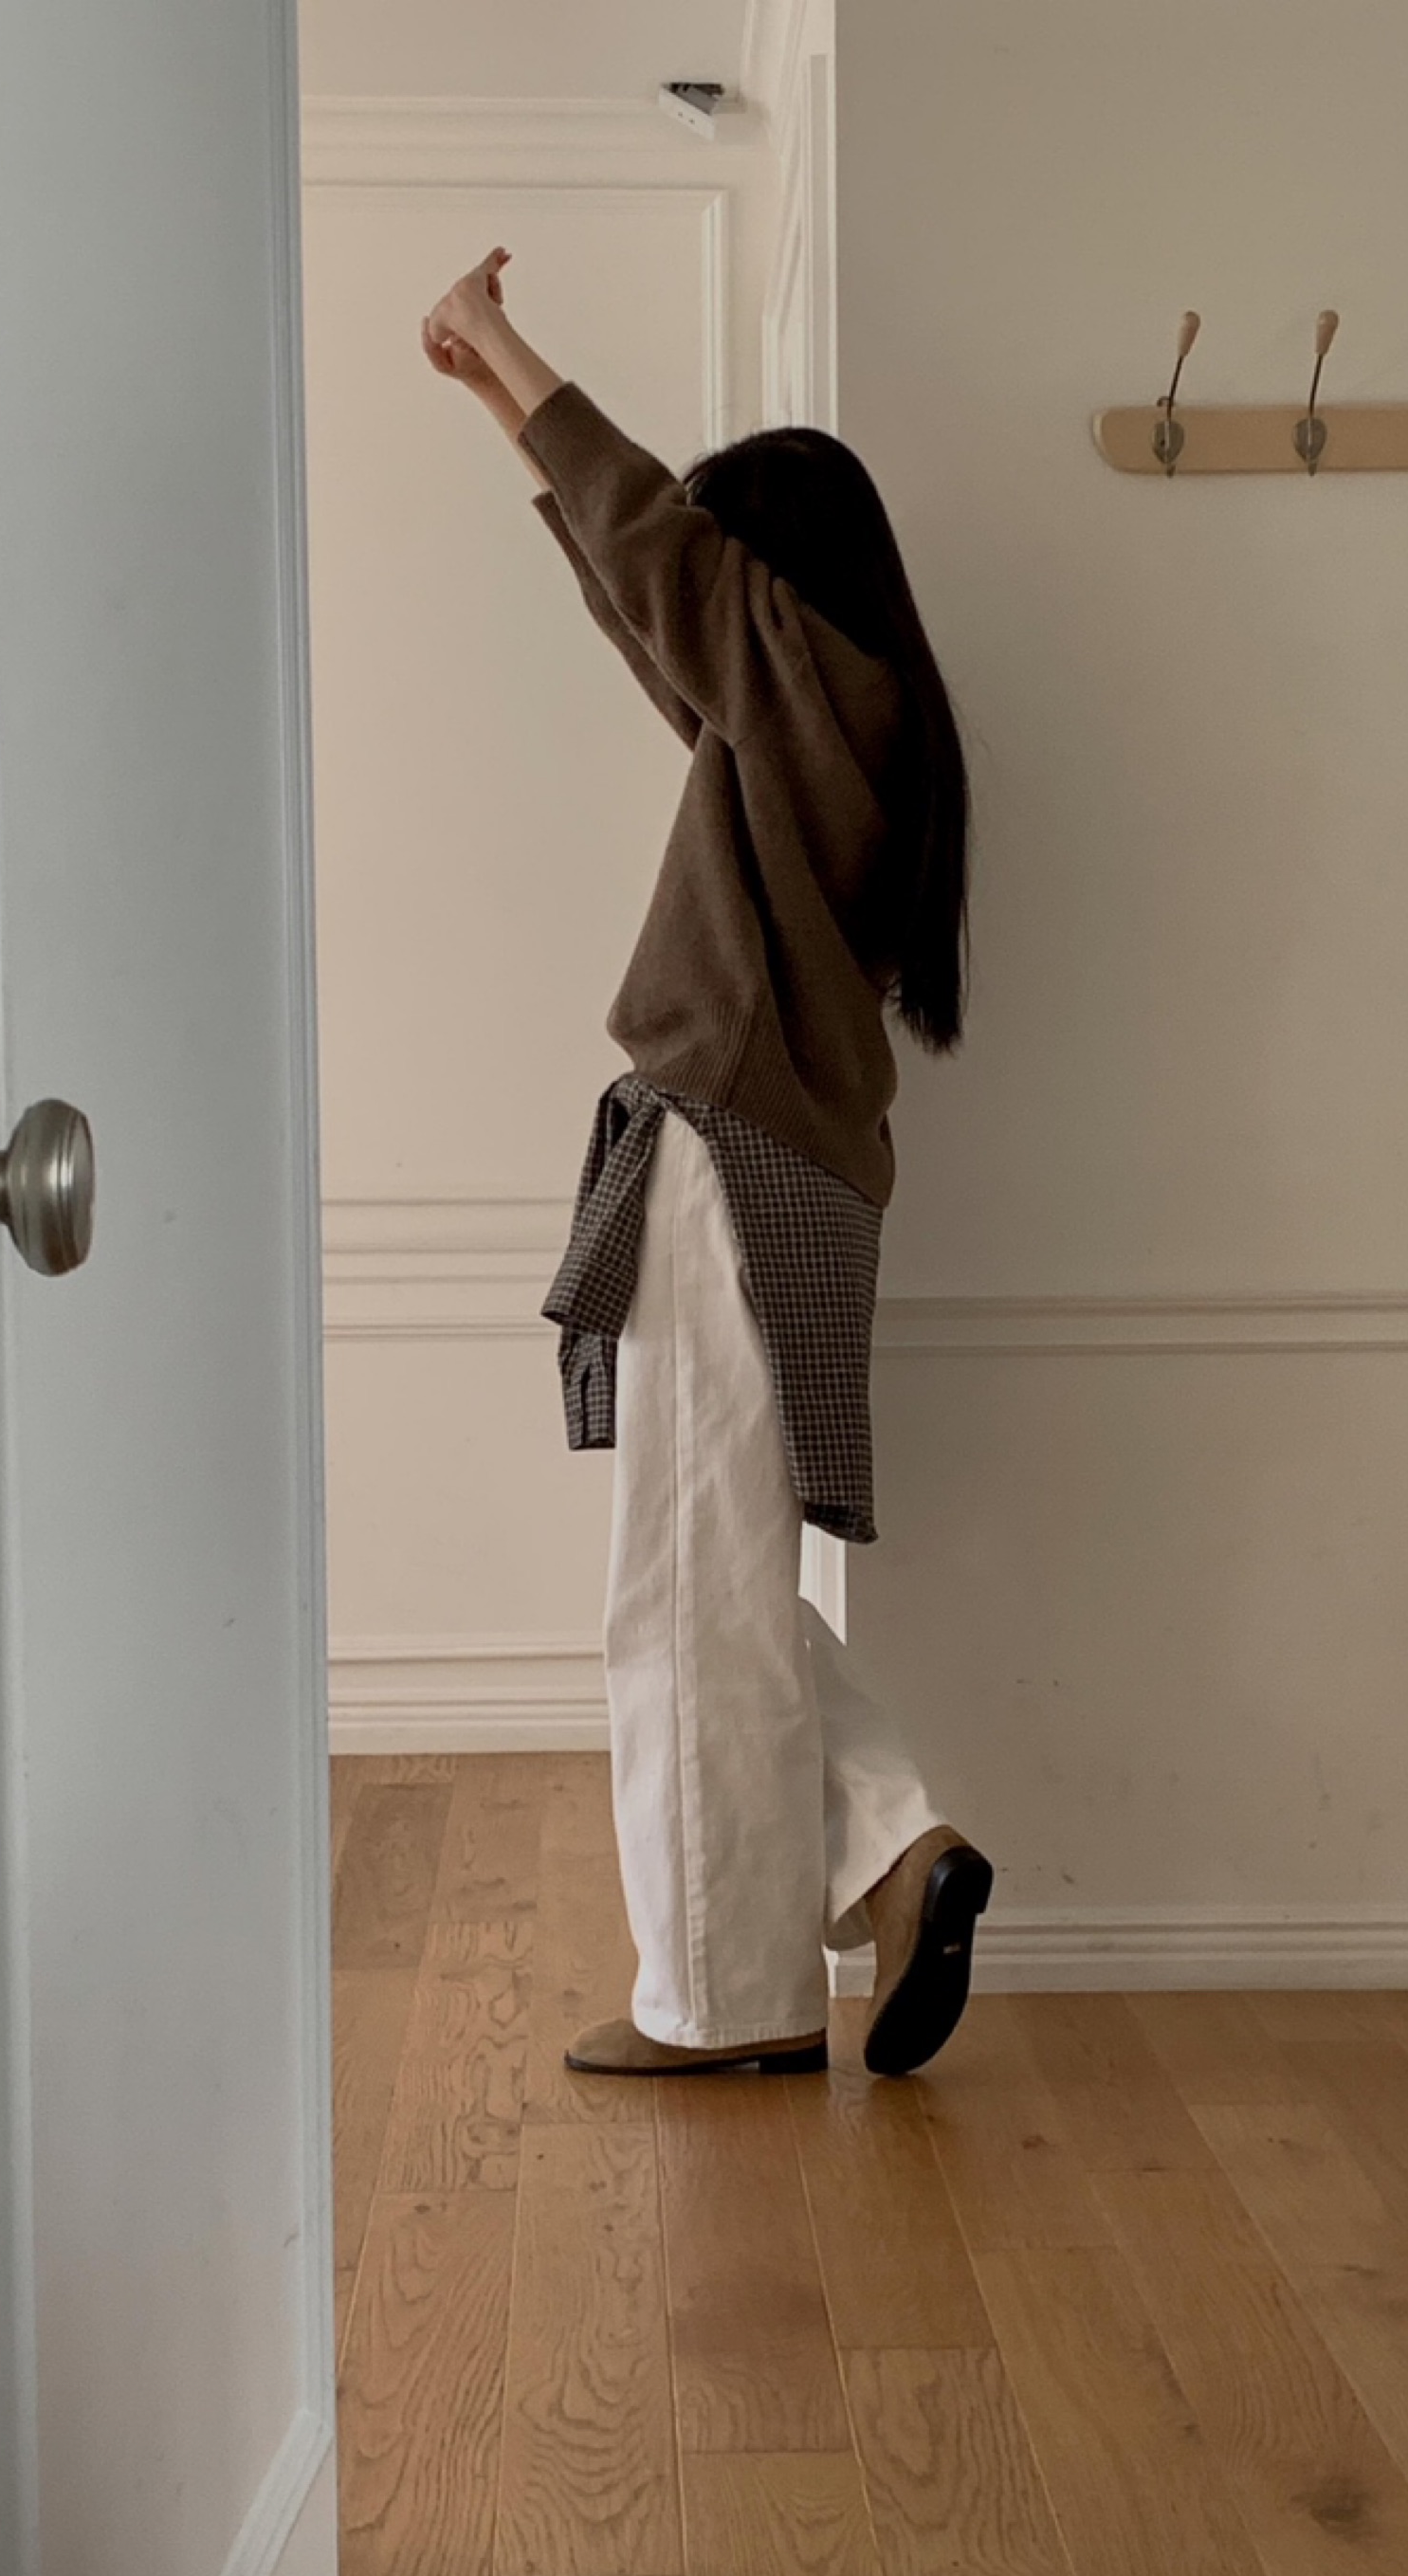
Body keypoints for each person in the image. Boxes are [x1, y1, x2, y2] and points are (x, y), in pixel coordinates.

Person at [421, 247, 992, 2079]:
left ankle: (725, 2003)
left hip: (723, 1163)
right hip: (797, 1176)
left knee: (680, 1594)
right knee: (722, 1576)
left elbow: (662, 561)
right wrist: (502, 416)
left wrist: (505, 344)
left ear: (775, 576)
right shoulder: (842, 721)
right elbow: (652, 602)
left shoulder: (810, 686)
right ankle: (896, 1852)